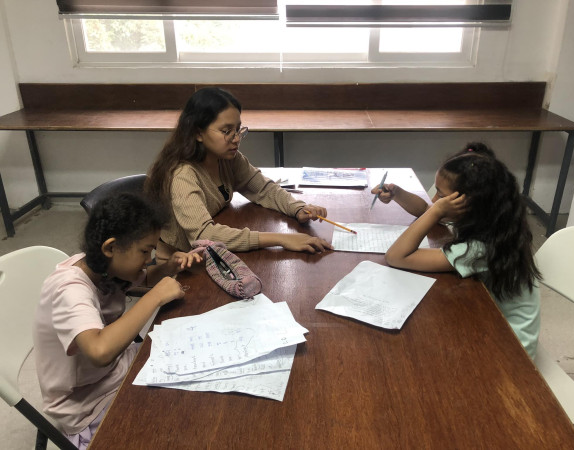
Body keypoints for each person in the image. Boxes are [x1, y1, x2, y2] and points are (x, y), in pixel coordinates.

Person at [33, 193, 202, 449]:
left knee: (190, 383)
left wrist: (169, 268)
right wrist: (155, 296)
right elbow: (99, 350)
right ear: (110, 248)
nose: (149, 259)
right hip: (87, 403)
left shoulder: (104, 268)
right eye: (145, 251)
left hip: (116, 371)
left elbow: (145, 277)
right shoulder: (68, 289)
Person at [372, 143, 541, 358]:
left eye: (440, 196)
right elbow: (425, 209)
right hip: (494, 327)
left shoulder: (480, 249)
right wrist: (398, 193)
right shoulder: (494, 223)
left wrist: (436, 211)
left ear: (465, 204)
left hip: (509, 352)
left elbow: (396, 256)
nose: (434, 201)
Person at [145, 87, 333, 262]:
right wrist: (281, 238)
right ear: (198, 133)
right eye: (226, 131)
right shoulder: (182, 175)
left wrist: (298, 209)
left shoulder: (227, 158)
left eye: (237, 129)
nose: (236, 139)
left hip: (210, 255)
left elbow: (263, 188)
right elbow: (204, 235)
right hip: (181, 263)